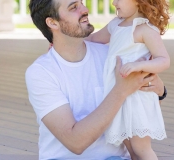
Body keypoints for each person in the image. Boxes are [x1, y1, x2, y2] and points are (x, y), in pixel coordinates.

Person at [26, 0, 166, 159]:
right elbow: (75, 143)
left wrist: (160, 91)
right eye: (74, 7)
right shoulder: (41, 72)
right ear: (52, 22)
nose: (85, 10)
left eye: (82, 3)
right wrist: (121, 90)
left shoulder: (112, 56)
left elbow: (139, 104)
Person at [86, 0, 170, 159]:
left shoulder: (144, 29)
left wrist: (139, 65)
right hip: (119, 95)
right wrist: (61, 42)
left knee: (141, 148)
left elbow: (164, 60)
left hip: (137, 97)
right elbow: (93, 39)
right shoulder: (116, 24)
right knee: (130, 147)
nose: (114, 2)